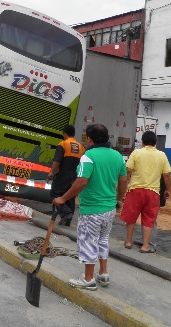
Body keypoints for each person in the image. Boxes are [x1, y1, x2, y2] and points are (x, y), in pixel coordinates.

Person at [53, 124, 127, 290]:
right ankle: (103, 273)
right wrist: (120, 199)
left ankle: (88, 279)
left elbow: (82, 181)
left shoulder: (88, 156)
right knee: (103, 240)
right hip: (109, 209)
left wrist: (63, 199)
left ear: (90, 139)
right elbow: (123, 181)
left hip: (92, 209)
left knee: (88, 242)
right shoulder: (118, 157)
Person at [120, 131, 171, 253]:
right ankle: (145, 246)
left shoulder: (136, 153)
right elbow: (167, 175)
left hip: (135, 190)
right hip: (153, 192)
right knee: (149, 219)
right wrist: (168, 190)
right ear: (156, 143)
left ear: (142, 142)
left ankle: (128, 241)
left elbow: (128, 171)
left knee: (131, 216)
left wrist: (124, 187)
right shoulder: (162, 155)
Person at [47, 125, 85, 226]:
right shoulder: (81, 147)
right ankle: (68, 219)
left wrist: (51, 171)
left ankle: (66, 213)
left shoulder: (63, 144)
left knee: (56, 193)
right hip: (75, 175)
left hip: (63, 174)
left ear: (65, 134)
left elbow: (57, 160)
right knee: (70, 195)